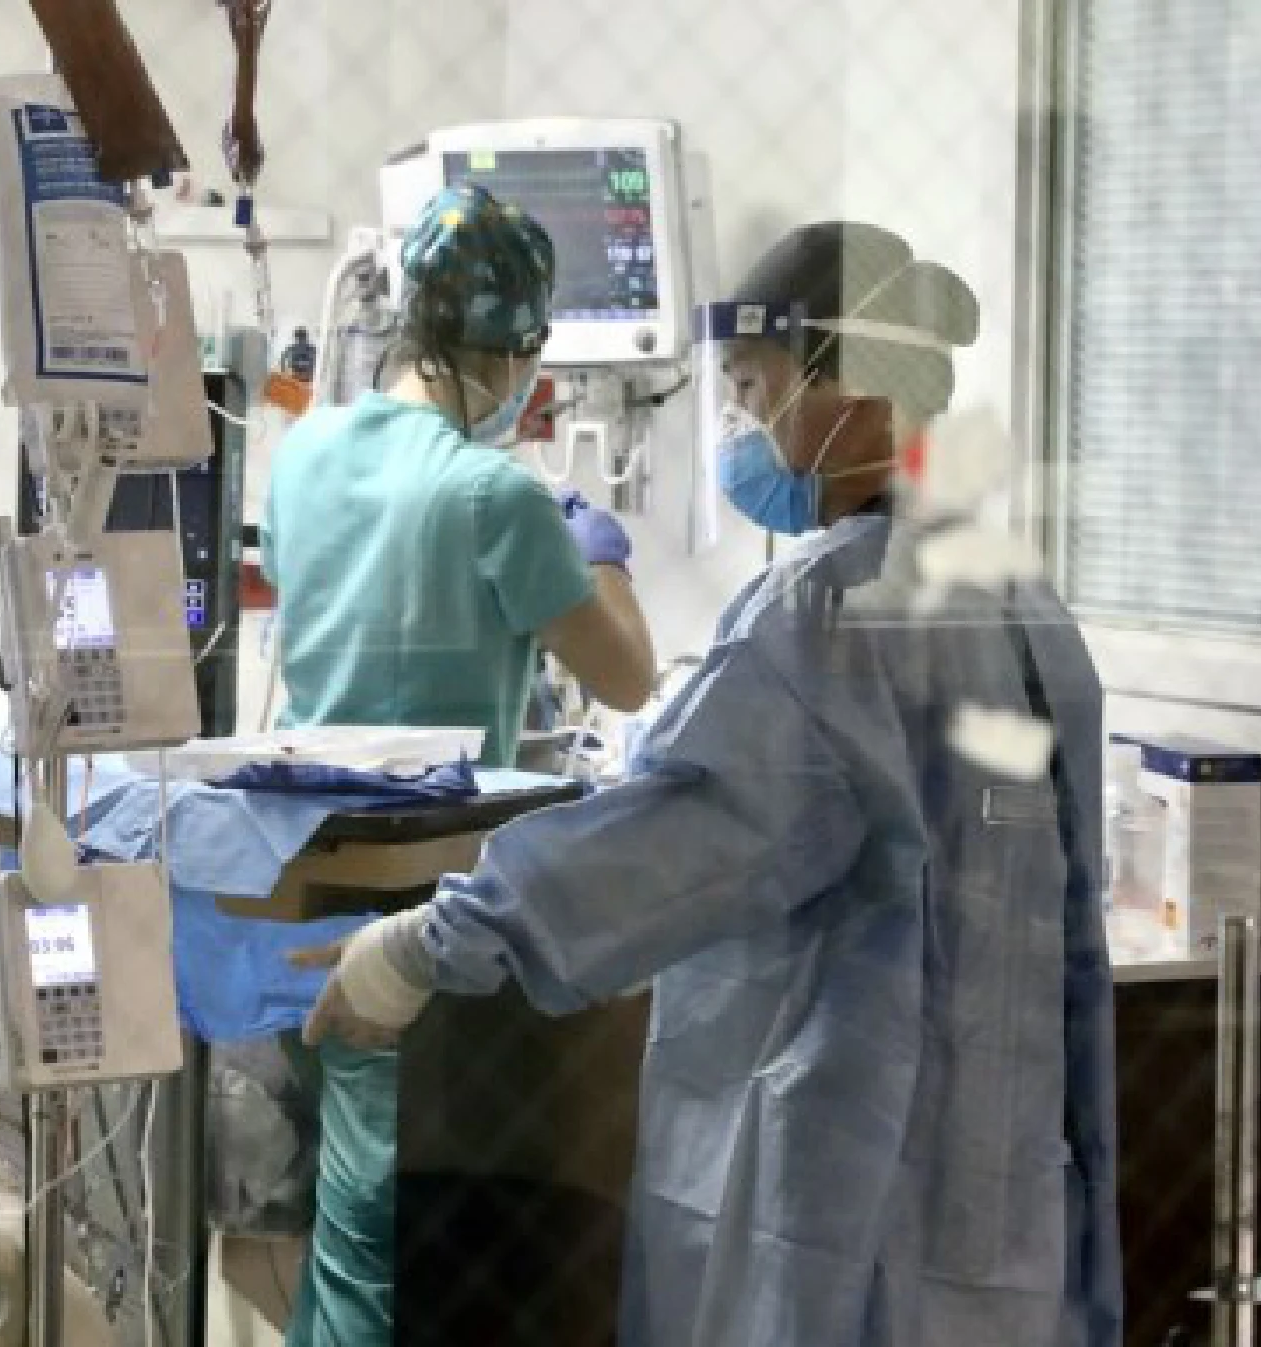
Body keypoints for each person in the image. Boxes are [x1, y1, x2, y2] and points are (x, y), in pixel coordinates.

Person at [295, 221, 1123, 1347]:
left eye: (755, 387)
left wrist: (424, 947)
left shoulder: (821, 617)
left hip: (836, 1204)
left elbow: (683, 837)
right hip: (1004, 1220)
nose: (742, 423)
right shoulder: (1025, 609)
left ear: (854, 383)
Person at [260, 182, 657, 1346]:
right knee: (414, 1240)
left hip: (303, 877)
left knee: (344, 1220)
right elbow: (627, 677)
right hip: (427, 906)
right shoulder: (494, 493)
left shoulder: (304, 454)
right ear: (517, 350)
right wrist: (600, 553)